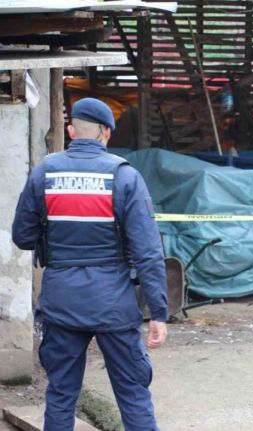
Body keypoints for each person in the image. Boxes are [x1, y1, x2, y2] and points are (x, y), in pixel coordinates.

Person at [12, 98, 168, 431]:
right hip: (113, 304)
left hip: (61, 302)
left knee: (61, 394)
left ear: (71, 131)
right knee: (133, 394)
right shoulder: (125, 176)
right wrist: (158, 312)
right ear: (106, 133)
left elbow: (22, 237)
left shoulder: (44, 172)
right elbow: (148, 252)